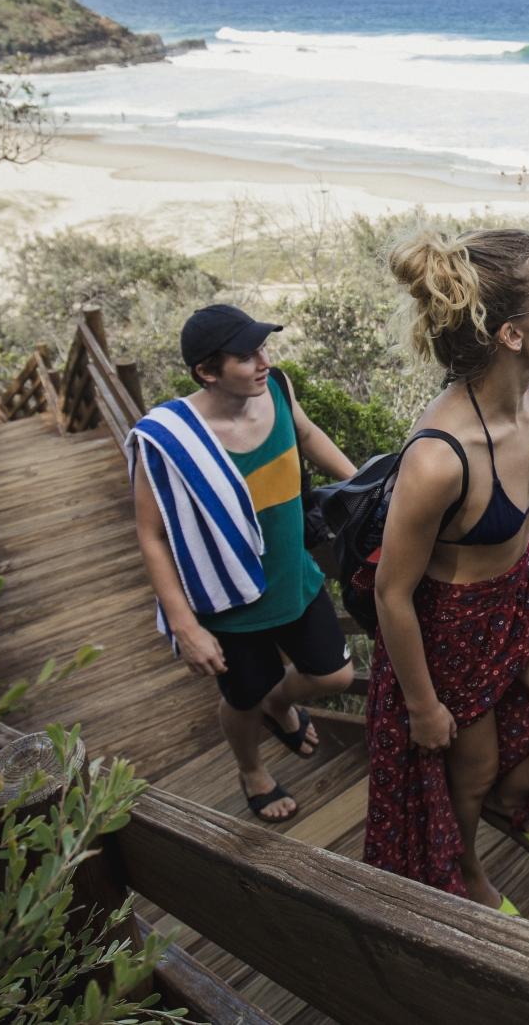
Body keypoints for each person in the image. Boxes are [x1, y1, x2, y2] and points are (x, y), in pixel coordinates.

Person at [360, 228, 529, 916]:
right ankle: (470, 872)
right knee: (469, 771)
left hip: (524, 591)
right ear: (512, 333)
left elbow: (517, 462)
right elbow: (392, 593)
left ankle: (513, 799)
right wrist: (423, 707)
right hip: (457, 627)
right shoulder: (438, 458)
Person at [127, 304, 359, 823]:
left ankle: (279, 702)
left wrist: (362, 487)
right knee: (242, 699)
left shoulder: (277, 388)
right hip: (229, 602)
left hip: (294, 579)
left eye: (263, 348)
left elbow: (306, 434)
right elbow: (151, 534)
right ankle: (251, 769)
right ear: (207, 372)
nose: (264, 361)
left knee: (336, 675)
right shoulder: (171, 441)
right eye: (247, 356)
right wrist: (186, 627)